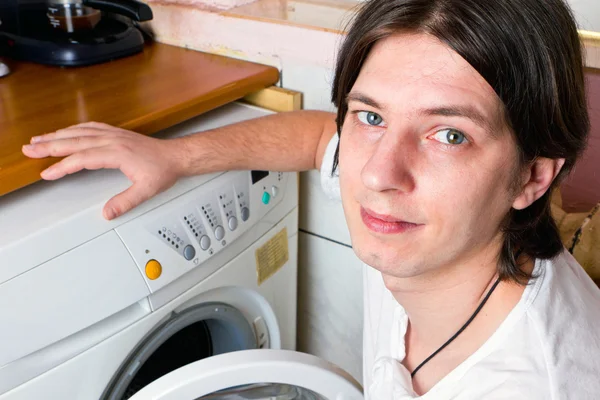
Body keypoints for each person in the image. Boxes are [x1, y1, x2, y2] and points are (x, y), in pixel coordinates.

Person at [22, 0, 600, 397]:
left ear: (532, 177)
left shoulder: (537, 382)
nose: (377, 173)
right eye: (372, 115)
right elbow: (324, 134)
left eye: (449, 135)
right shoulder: (425, 227)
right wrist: (175, 156)